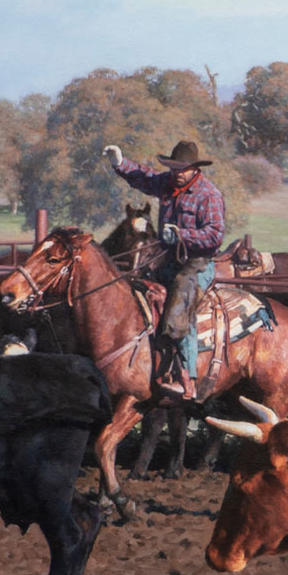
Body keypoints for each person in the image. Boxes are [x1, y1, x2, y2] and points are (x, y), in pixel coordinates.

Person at [106, 139, 225, 399]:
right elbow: (144, 177)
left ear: (195, 169)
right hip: (167, 259)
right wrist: (120, 164)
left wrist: (183, 235)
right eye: (173, 168)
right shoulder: (168, 184)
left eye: (181, 169)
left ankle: (187, 379)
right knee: (133, 285)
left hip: (198, 264)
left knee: (179, 303)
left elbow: (215, 235)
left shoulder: (209, 195)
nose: (176, 173)